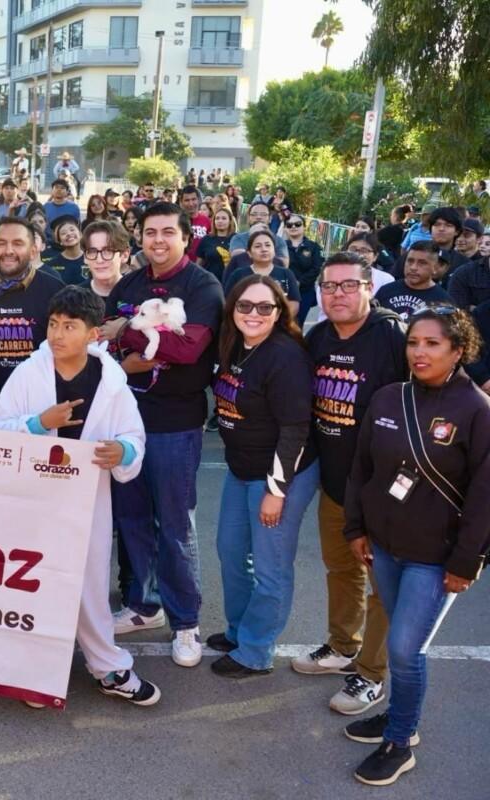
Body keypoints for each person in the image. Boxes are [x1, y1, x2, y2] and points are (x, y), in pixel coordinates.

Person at [341, 307, 490, 786]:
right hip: (384, 546)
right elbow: (362, 469)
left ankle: (400, 741)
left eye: (432, 344)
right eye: (413, 343)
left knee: (406, 649)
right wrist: (355, 528)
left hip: (436, 557)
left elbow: (486, 495)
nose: (419, 352)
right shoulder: (388, 397)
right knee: (399, 642)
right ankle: (397, 718)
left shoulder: (476, 410)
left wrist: (468, 560)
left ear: (458, 351)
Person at [0, 285, 159, 706]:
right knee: (31, 579)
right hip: (33, 497)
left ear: (92, 334)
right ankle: (36, 669)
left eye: (70, 326)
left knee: (88, 582)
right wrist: (37, 423)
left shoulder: (111, 380)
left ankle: (107, 665)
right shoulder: (29, 372)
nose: (58, 334)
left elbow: (133, 435)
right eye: (52, 324)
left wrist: (124, 451)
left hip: (87, 497)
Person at [100, 201, 225, 668]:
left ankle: (186, 622)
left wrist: (128, 331)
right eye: (150, 232)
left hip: (176, 422)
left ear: (184, 235)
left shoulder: (202, 285)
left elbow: (188, 348)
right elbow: (103, 343)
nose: (157, 240)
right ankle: (143, 606)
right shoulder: (130, 284)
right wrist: (126, 344)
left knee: (175, 525)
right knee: (132, 519)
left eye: (167, 232)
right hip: (126, 418)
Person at [295, 251, 406, 717]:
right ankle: (343, 646)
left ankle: (372, 673)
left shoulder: (392, 337)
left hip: (386, 487)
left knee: (383, 584)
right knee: (341, 568)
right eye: (329, 286)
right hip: (338, 481)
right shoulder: (318, 336)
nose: (337, 294)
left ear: (368, 289)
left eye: (348, 285)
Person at [209, 275, 318, 678]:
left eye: (264, 307)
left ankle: (256, 651)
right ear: (232, 308)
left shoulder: (285, 356)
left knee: (271, 566)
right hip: (241, 469)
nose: (253, 314)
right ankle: (240, 631)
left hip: (279, 475)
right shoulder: (234, 344)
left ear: (279, 312)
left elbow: (295, 429)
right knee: (231, 552)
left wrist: (277, 490)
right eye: (245, 306)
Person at [0, 217, 64, 419]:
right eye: (1, 243)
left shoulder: (55, 290)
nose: (8, 250)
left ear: (33, 250)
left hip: (45, 413)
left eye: (18, 243)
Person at [223, 228, 301, 317]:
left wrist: (276, 320)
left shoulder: (286, 274)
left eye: (268, 245)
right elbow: (228, 302)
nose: (264, 249)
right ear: (249, 253)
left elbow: (294, 303)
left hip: (279, 325)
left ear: (274, 251)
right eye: (257, 246)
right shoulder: (238, 274)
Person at [374, 241, 452, 319]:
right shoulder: (386, 290)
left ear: (434, 268)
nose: (413, 267)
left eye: (422, 263)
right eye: (410, 261)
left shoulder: (443, 301)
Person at [283, 213, 323, 324]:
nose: (293, 227)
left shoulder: (313, 247)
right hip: (283, 291)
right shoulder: (280, 246)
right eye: (289, 225)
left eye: (297, 224)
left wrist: (299, 282)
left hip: (304, 292)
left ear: (304, 227)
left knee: (296, 324)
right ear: (285, 228)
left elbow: (316, 268)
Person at [79, 219, 129, 300]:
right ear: (85, 257)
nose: (99, 260)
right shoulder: (73, 300)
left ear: (124, 255)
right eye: (92, 251)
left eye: (108, 251)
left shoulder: (139, 295)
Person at [197, 205, 236, 283]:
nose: (220, 221)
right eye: (217, 218)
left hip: (230, 283)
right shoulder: (206, 239)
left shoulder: (236, 239)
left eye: (224, 218)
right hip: (209, 282)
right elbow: (198, 264)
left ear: (230, 221)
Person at [43, 216, 84, 285]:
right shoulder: (51, 265)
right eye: (63, 233)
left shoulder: (92, 259)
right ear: (60, 241)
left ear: (80, 234)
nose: (68, 234)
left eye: (72, 230)